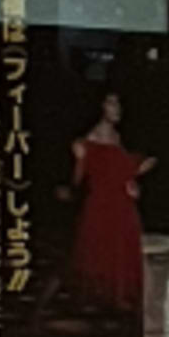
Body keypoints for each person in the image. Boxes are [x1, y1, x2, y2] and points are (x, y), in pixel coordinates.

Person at [67, 77, 149, 312]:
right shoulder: (86, 142)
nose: (117, 110)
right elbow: (77, 181)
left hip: (121, 202)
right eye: (112, 104)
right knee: (102, 247)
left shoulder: (117, 138)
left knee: (124, 244)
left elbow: (122, 170)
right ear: (100, 107)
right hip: (101, 203)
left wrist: (130, 183)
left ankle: (120, 297)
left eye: (118, 104)